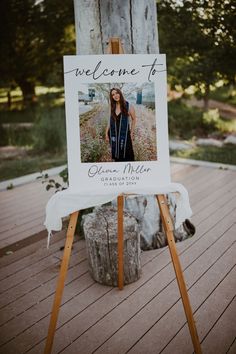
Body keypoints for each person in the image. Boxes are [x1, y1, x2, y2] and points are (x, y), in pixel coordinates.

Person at [105, 88, 136, 162]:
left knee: (127, 156)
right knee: (117, 156)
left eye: (116, 93)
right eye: (113, 94)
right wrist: (106, 133)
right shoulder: (112, 107)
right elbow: (110, 121)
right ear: (111, 97)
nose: (115, 95)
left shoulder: (128, 106)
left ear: (120, 93)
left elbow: (134, 119)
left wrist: (131, 133)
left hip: (125, 136)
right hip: (114, 135)